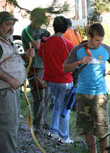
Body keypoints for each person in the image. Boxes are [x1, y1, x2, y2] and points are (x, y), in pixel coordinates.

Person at [63, 23, 110, 153]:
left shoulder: (106, 49)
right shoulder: (78, 49)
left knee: (102, 128)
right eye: (97, 40)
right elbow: (65, 68)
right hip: (82, 93)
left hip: (100, 94)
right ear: (89, 36)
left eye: (102, 39)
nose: (100, 43)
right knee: (86, 127)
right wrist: (79, 62)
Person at [0, 11, 34, 153]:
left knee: (12, 123)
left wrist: (25, 56)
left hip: (10, 88)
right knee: (8, 124)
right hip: (4, 89)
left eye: (12, 25)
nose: (11, 28)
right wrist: (10, 79)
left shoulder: (7, 41)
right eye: (7, 24)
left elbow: (9, 61)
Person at [38, 16, 75, 144]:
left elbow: (41, 55)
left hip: (50, 80)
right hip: (64, 80)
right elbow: (75, 60)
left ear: (54, 27)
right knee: (65, 109)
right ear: (65, 28)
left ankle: (54, 131)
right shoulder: (68, 44)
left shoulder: (45, 42)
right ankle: (64, 137)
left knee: (56, 106)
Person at [21, 8, 50, 133]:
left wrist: (42, 43)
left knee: (47, 95)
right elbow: (38, 46)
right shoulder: (27, 30)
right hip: (34, 67)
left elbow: (49, 45)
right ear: (31, 18)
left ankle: (44, 122)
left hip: (45, 65)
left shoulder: (44, 31)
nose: (39, 23)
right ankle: (37, 125)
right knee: (39, 95)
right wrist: (42, 43)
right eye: (37, 20)